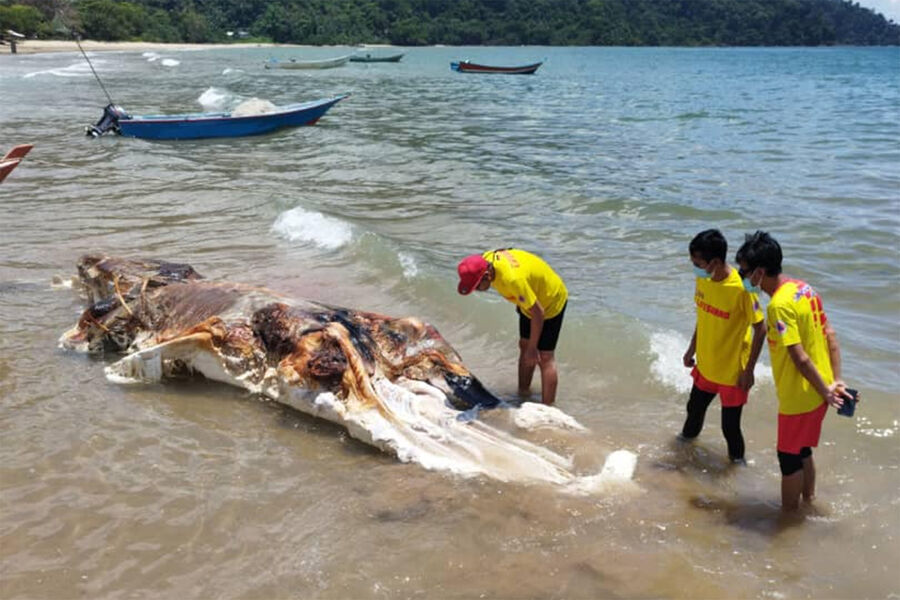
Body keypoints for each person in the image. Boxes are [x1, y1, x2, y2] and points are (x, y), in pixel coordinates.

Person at [735, 231, 854, 510]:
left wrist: (826, 391)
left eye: (744, 271)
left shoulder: (779, 305)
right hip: (820, 390)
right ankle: (808, 500)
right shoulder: (806, 289)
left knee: (787, 457)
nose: (741, 276)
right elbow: (830, 335)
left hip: (801, 396)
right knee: (802, 450)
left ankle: (788, 518)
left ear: (760, 273)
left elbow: (799, 358)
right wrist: (835, 381)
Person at [679, 229, 766, 464]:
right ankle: (681, 457)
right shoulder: (703, 278)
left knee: (730, 428)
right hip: (707, 363)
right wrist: (691, 349)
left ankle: (737, 472)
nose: (694, 267)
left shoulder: (741, 290)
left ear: (715, 262)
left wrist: (748, 371)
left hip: (732, 372)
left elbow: (761, 328)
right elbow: (703, 315)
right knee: (693, 411)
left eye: (697, 263)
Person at [457, 249, 568, 405]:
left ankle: (548, 408)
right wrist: (529, 346)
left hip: (550, 301)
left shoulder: (513, 280)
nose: (475, 290)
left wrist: (533, 347)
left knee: (544, 357)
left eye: (476, 286)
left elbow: (538, 312)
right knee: (524, 345)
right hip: (529, 299)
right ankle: (523, 395)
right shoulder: (486, 261)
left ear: (487, 275)